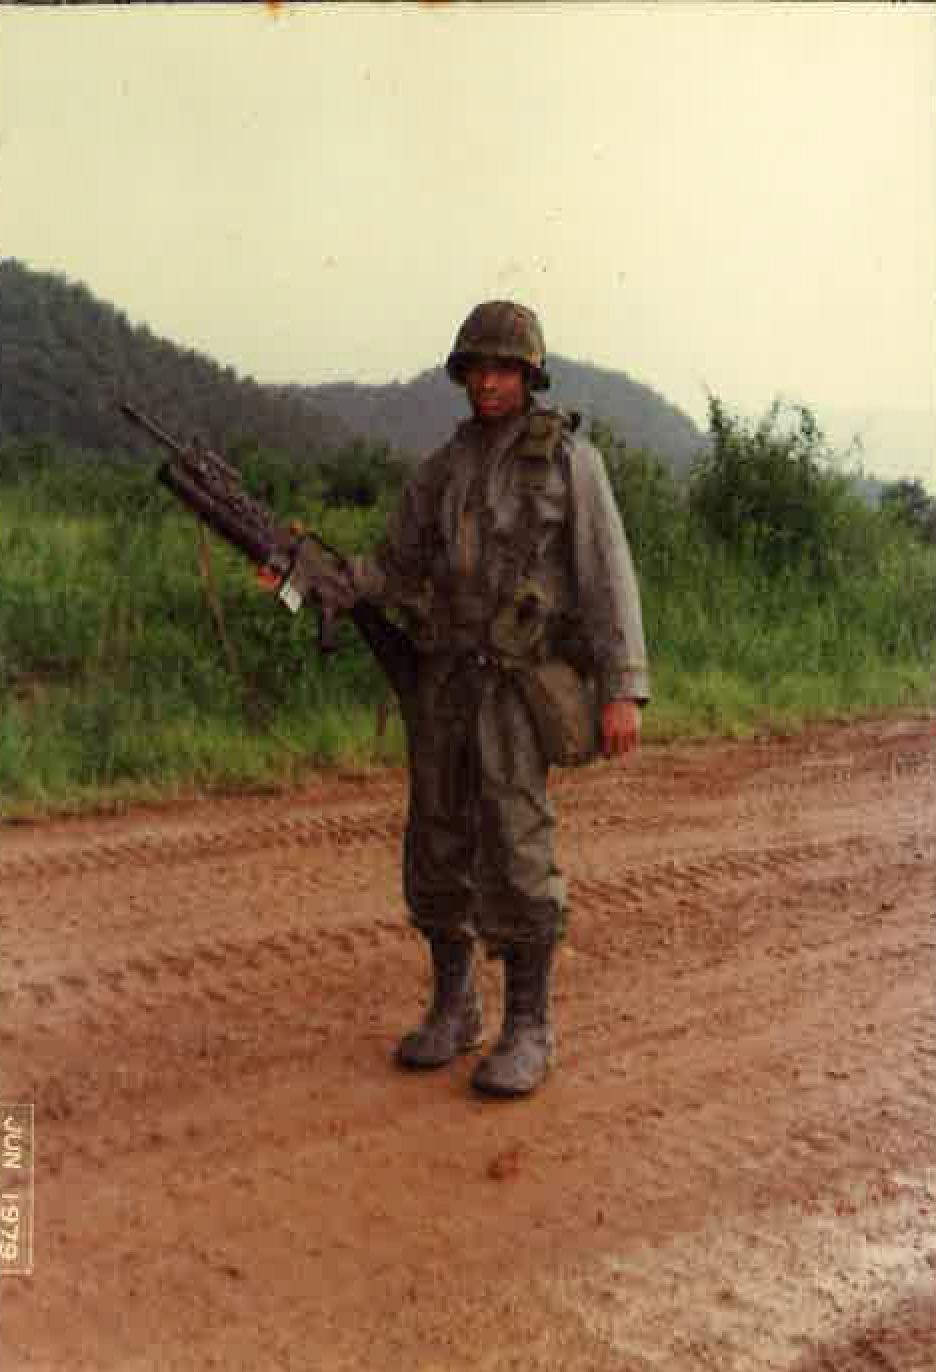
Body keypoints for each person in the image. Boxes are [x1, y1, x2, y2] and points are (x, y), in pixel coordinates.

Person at [341, 301, 649, 1097]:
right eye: (477, 368)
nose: (489, 382)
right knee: (437, 843)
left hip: (518, 685)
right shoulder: (443, 468)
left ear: (529, 376)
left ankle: (529, 1027)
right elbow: (394, 565)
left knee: (516, 847)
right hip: (445, 681)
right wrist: (325, 577)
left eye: (504, 368)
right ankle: (455, 1007)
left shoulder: (570, 462)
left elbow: (607, 575)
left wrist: (623, 688)